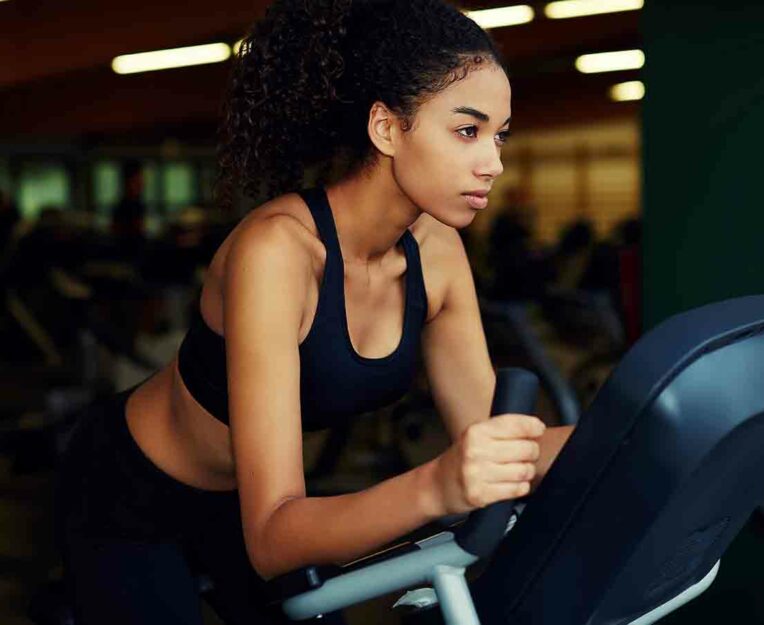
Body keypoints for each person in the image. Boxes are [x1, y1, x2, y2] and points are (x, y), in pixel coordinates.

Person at [54, 2, 574, 624]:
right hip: (131, 494)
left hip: (248, 499)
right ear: (386, 128)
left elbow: (490, 441)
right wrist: (436, 485)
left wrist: (639, 431)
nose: (493, 161)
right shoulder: (277, 252)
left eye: (499, 135)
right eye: (468, 131)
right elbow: (274, 538)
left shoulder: (439, 254)